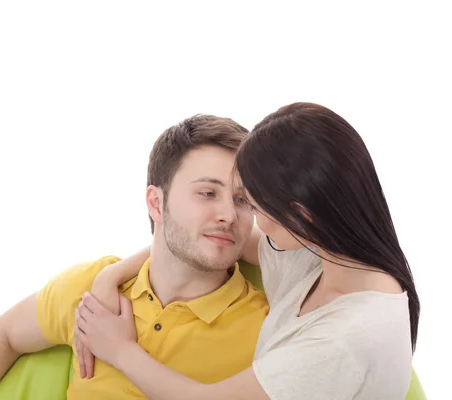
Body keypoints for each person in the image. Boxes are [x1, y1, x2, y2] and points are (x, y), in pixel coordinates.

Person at [75, 102, 420, 399]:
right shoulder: (320, 253)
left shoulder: (347, 339)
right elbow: (201, 238)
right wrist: (111, 275)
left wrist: (119, 349)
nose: (242, 219)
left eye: (251, 204)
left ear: (303, 214)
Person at [0, 115, 270, 400]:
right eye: (207, 193)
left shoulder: (267, 332)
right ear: (156, 204)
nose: (229, 214)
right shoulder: (92, 290)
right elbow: (3, 335)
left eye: (243, 200)